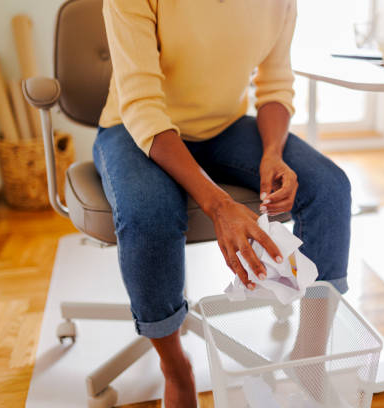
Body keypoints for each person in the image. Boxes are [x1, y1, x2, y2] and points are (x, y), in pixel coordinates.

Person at [96, 0, 351, 406]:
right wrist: (219, 204)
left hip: (224, 126)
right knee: (150, 215)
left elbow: (275, 85)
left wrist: (272, 152)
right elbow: (142, 106)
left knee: (330, 188)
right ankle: (175, 366)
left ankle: (309, 355)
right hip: (136, 128)